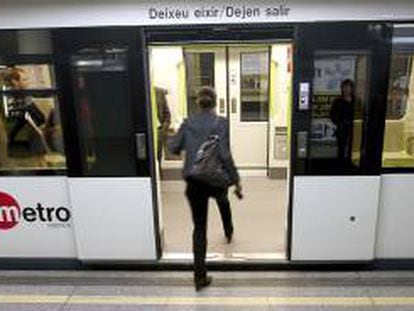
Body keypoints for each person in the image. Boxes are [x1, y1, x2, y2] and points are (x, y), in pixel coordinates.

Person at [169, 86, 242, 291]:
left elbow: (173, 148)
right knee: (223, 201)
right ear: (215, 102)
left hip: (194, 182)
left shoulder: (187, 123)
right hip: (216, 179)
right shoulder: (222, 123)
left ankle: (199, 277)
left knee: (199, 227)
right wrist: (236, 180)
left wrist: (190, 150)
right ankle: (228, 231)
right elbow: (225, 155)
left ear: (198, 103)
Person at [330, 79, 357, 165]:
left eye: (348, 88)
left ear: (352, 89)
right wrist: (340, 122)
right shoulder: (338, 101)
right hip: (342, 129)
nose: (346, 90)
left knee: (352, 148)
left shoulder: (356, 101)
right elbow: (332, 114)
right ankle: (340, 165)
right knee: (341, 149)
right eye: (344, 88)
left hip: (354, 129)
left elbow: (361, 113)